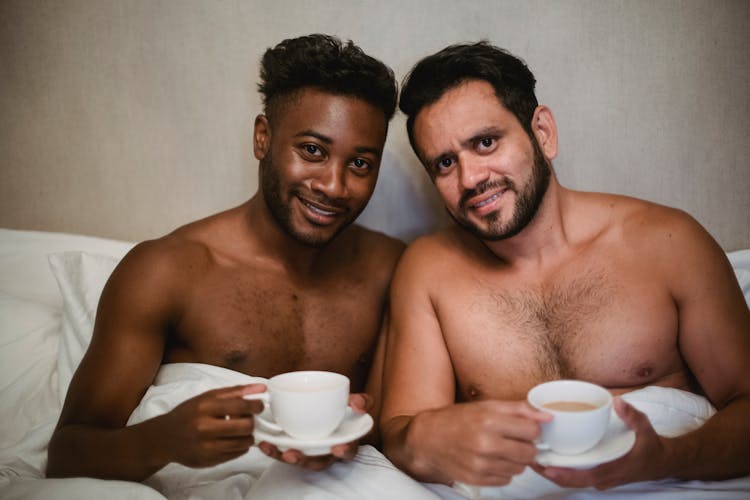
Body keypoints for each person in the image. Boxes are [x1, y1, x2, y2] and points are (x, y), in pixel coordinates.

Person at [380, 41, 750, 490]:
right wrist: (423, 434)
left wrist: (667, 457)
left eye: (486, 142)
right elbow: (399, 435)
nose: (470, 178)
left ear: (543, 132)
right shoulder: (428, 272)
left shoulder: (669, 243)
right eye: (444, 163)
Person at [46, 33, 404, 481]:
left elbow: (392, 432)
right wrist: (162, 440)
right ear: (262, 138)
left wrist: (355, 433)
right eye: (312, 150)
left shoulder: (390, 271)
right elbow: (66, 454)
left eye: (360, 164)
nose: (333, 185)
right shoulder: (167, 271)